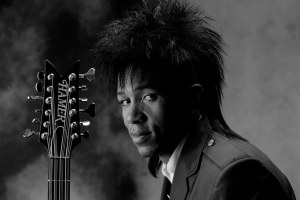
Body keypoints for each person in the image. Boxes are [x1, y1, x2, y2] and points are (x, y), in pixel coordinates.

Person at [94, 0, 296, 199]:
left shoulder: (235, 175)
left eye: (148, 97)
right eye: (125, 101)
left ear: (192, 99)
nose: (133, 116)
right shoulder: (176, 167)